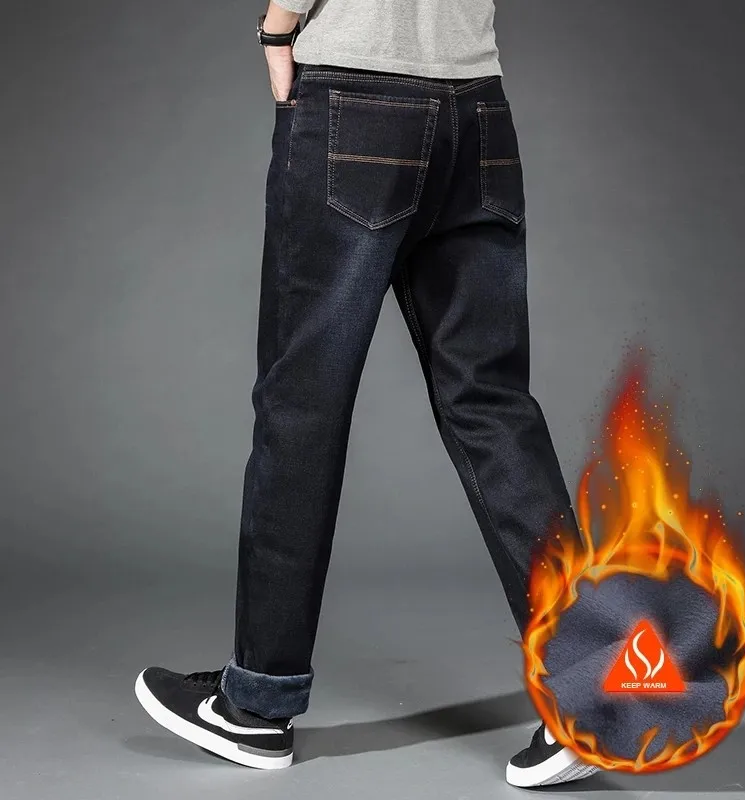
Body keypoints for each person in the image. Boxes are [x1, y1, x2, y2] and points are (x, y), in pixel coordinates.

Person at [134, 0, 598, 787]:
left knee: (302, 406)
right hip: (478, 107)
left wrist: (278, 26)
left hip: (357, 100)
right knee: (491, 403)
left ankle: (258, 706)